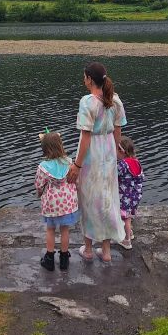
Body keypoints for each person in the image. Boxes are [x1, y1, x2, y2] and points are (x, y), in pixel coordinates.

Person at [67, 61, 126, 263]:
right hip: (108, 151)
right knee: (107, 196)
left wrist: (77, 164)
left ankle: (89, 249)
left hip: (92, 152)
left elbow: (85, 136)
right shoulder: (115, 100)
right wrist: (114, 148)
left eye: (84, 77)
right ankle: (107, 251)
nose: (84, 80)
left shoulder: (88, 102)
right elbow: (118, 130)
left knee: (89, 198)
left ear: (90, 79)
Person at [35, 131, 79, 271]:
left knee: (50, 230)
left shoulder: (43, 167)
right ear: (61, 145)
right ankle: (64, 259)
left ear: (45, 149)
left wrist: (39, 193)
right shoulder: (70, 162)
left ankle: (49, 259)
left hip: (51, 205)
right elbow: (75, 180)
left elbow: (39, 185)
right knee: (65, 230)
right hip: (67, 203)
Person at [116, 136, 144, 249]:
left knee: (126, 218)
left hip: (125, 196)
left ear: (121, 151)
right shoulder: (137, 162)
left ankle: (127, 241)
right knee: (129, 216)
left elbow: (114, 174)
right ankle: (130, 233)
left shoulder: (123, 164)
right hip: (136, 196)